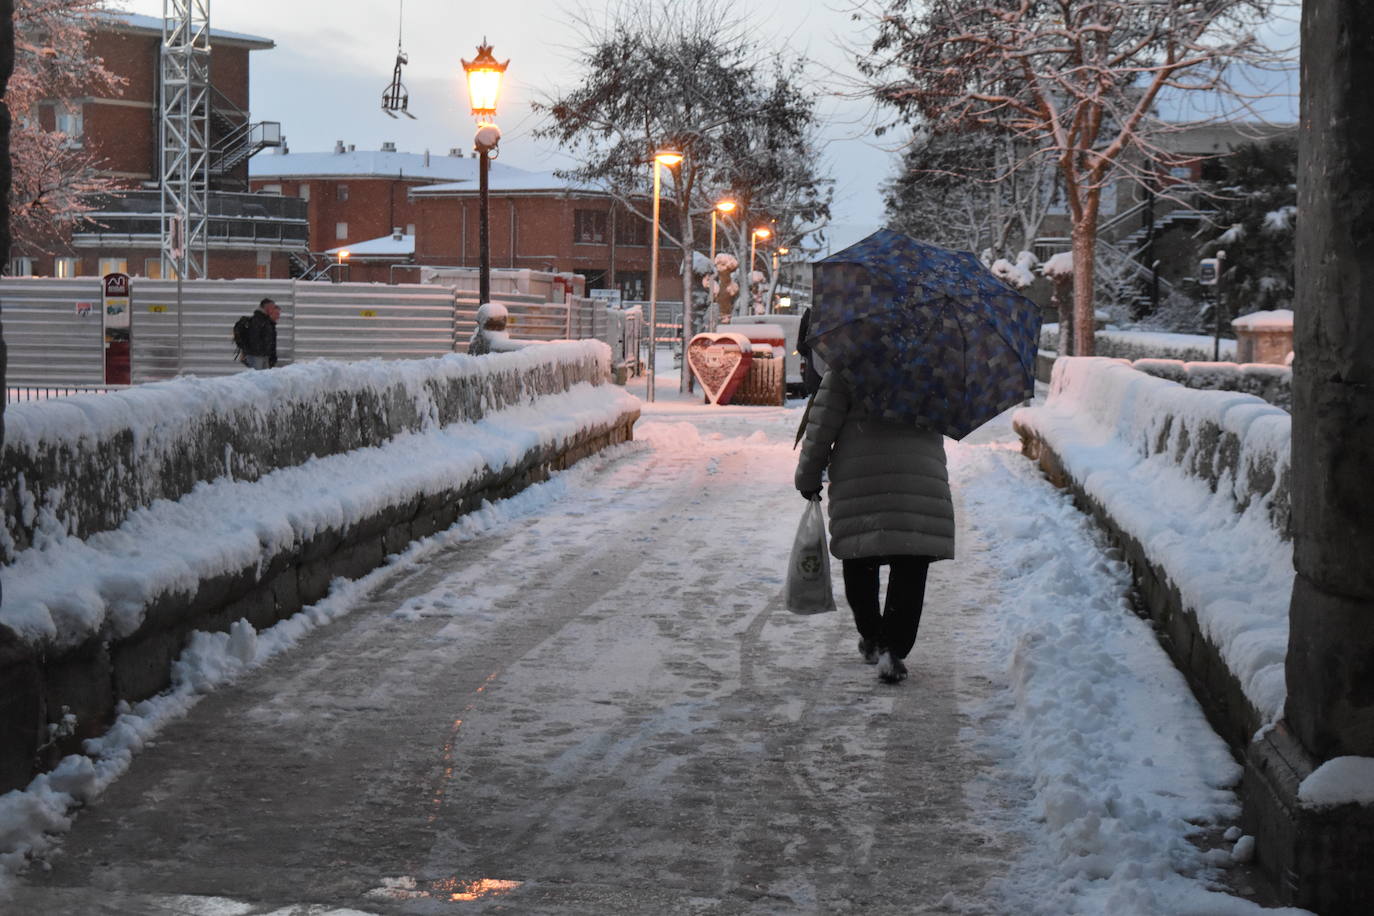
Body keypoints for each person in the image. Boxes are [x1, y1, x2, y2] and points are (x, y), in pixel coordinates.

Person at [794, 368, 955, 683]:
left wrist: (808, 476)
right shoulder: (933, 367)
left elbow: (821, 428)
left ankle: (871, 635)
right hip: (918, 478)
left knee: (860, 557)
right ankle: (893, 648)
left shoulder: (847, 365)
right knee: (911, 563)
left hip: (859, 477)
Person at [241, 298, 280, 370]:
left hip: (263, 355)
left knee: (263, 378)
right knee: (257, 378)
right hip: (256, 356)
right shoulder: (257, 320)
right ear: (266, 307)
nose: (273, 309)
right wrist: (260, 351)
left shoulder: (266, 320)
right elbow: (254, 338)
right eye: (272, 307)